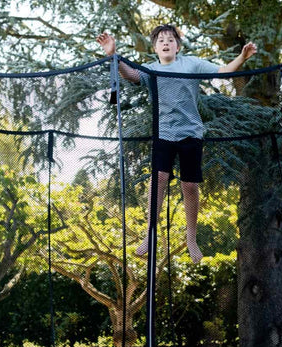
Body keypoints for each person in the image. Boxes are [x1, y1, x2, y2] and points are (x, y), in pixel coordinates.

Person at [97, 25, 256, 263]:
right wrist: (113, 55)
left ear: (177, 46)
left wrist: (242, 57)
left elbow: (222, 71)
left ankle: (191, 238)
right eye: (161, 40)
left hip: (191, 132)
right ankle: (150, 234)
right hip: (163, 132)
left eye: (170, 40)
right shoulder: (150, 69)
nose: (166, 43)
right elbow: (130, 74)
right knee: (158, 178)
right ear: (155, 47)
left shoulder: (191, 64)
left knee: (189, 186)